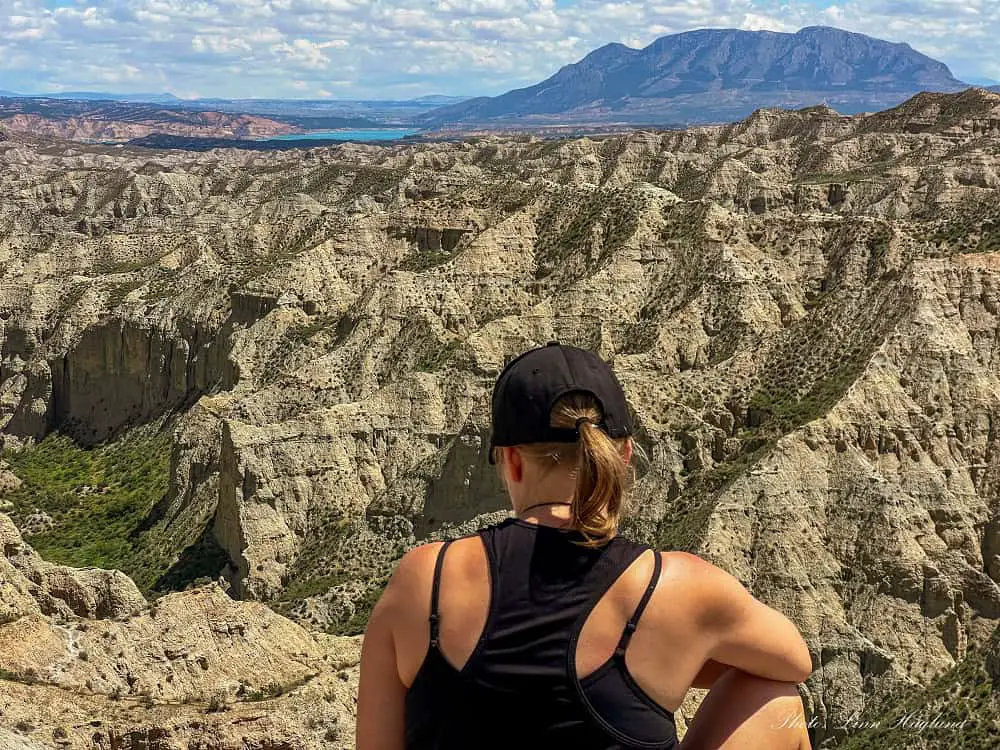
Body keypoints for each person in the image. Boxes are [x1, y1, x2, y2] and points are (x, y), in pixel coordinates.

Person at [357, 342, 813, 750]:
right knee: (773, 699)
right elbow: (794, 660)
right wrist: (669, 658)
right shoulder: (676, 587)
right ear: (624, 455)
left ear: (511, 462)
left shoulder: (424, 579)